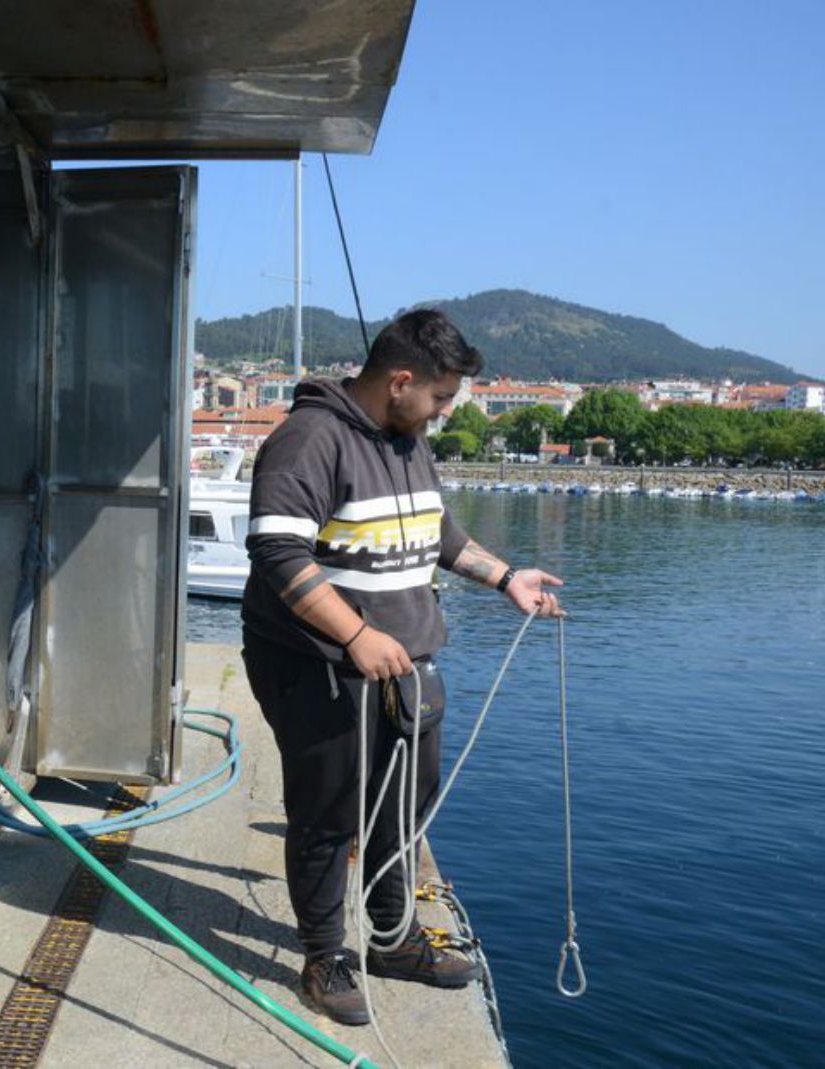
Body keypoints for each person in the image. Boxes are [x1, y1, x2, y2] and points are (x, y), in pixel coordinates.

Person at [241, 309, 563, 1025]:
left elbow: (435, 531)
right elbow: (275, 551)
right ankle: (325, 955)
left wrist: (505, 576)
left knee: (403, 810)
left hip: (405, 663)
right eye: (442, 398)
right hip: (317, 663)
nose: (446, 413)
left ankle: (391, 939)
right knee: (328, 814)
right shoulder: (309, 440)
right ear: (401, 381)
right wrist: (355, 634)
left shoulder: (407, 440)